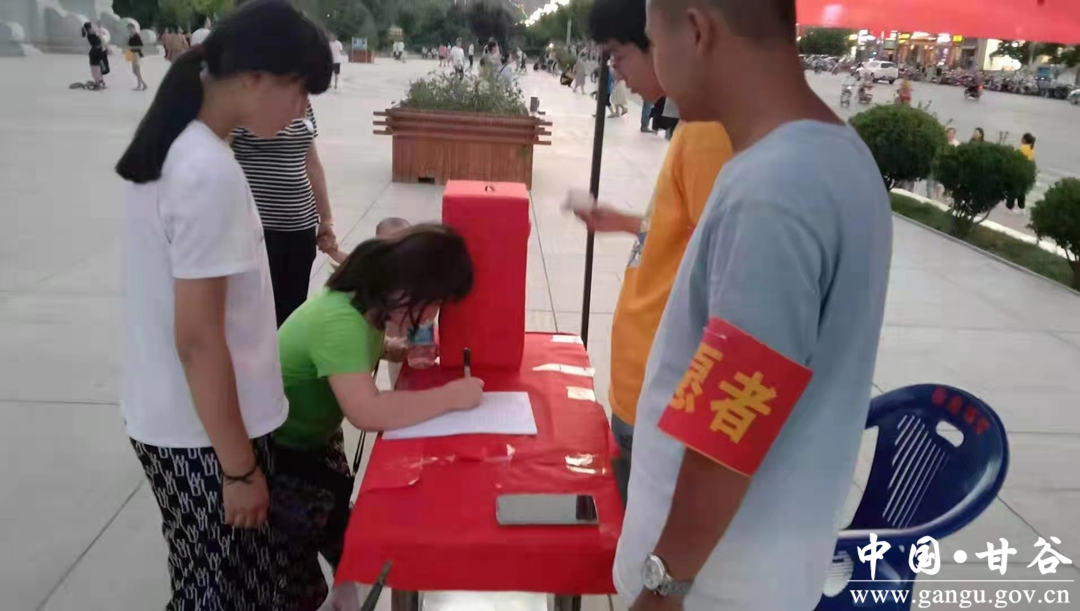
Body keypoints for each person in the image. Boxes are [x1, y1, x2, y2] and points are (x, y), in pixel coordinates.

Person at [615, 0, 891, 609]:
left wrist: (664, 587)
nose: (655, 62)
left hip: (717, 584)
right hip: (758, 566)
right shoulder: (835, 154)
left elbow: (725, 427)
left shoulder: (775, 189)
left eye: (653, 39)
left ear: (696, 30)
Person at [113, 1, 332, 607]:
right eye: (299, 92)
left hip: (188, 423)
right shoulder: (206, 171)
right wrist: (238, 469)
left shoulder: (181, 145)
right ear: (255, 77)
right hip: (205, 439)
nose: (301, 110)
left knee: (214, 584)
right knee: (222, 595)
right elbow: (198, 338)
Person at [272, 224, 483, 609]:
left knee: (351, 540)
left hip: (314, 444)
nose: (431, 316)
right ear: (408, 285)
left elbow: (351, 350)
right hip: (279, 458)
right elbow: (367, 411)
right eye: (433, 302)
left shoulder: (365, 303)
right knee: (297, 579)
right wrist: (451, 397)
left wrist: (389, 349)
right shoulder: (340, 320)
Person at [576, 0, 732, 505]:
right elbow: (688, 232)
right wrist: (623, 222)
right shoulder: (694, 126)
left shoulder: (710, 134)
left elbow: (727, 277)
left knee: (639, 536)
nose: (617, 72)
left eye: (620, 55)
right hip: (642, 383)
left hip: (660, 394)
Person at [231, 101, 336, 328]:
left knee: (293, 309)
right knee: (260, 310)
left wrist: (326, 218)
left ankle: (284, 350)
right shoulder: (245, 100)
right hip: (260, 226)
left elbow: (312, 163)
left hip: (301, 224)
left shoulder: (303, 101)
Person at [1007, 133, 1037, 211]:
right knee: (1021, 191)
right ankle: (1021, 206)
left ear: (1024, 140)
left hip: (1019, 172)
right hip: (1027, 173)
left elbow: (1016, 157)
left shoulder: (1023, 148)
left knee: (1013, 190)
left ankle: (1009, 206)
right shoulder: (1032, 149)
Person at [82, 22, 107, 90]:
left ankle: (99, 82)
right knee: (96, 69)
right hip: (95, 53)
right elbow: (100, 43)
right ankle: (98, 82)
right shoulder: (92, 35)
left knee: (96, 68)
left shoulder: (92, 35)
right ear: (89, 28)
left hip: (95, 53)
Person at [126, 22, 148, 91]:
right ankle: (142, 84)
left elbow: (140, 46)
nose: (129, 30)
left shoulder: (136, 36)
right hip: (132, 53)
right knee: (134, 71)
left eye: (130, 28)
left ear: (133, 28)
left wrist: (131, 47)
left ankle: (141, 85)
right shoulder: (131, 36)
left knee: (137, 70)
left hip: (136, 54)